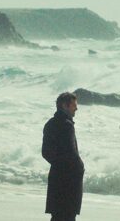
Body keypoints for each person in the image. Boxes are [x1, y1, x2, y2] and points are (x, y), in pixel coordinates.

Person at [42, 92, 85, 221]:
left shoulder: (50, 123)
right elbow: (71, 153)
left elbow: (45, 152)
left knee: (57, 216)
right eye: (74, 105)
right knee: (68, 216)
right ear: (65, 106)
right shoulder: (67, 125)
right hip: (69, 181)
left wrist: (58, 165)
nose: (76, 108)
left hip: (56, 177)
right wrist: (79, 167)